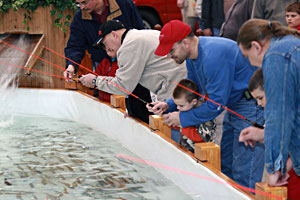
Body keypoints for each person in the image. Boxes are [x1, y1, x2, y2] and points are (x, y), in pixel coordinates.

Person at [150, 20, 264, 189]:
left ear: (186, 43)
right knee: (225, 165)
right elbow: (193, 91)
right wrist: (169, 105)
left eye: (171, 50)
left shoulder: (212, 56)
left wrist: (183, 117)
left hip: (250, 105)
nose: (169, 55)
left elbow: (215, 105)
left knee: (243, 171)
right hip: (234, 104)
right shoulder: (191, 57)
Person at [236, 18, 300, 189]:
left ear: (257, 47)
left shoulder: (276, 56)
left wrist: (274, 168)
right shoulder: (291, 44)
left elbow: (279, 115)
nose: (250, 63)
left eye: (247, 56)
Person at [64, 0, 151, 123]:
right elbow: (75, 45)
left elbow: (139, 32)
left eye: (84, 2)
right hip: (101, 64)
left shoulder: (124, 5)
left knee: (136, 97)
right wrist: (71, 65)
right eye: (79, 4)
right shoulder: (80, 17)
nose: (82, 7)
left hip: (130, 62)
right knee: (104, 99)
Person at [79, 20, 187, 118]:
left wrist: (95, 81)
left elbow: (122, 86)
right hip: (179, 80)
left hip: (175, 86)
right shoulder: (136, 36)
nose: (106, 49)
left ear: (114, 34)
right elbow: (133, 82)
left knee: (170, 125)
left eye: (105, 43)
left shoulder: (129, 46)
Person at [239, 68, 300, 200]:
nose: (259, 104)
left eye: (261, 98)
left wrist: (282, 169)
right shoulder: (276, 110)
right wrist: (261, 135)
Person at [173, 79, 216, 153]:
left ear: (194, 102)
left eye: (181, 105)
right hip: (187, 150)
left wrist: (182, 126)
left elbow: (203, 137)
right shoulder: (187, 107)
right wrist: (171, 121)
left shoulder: (205, 113)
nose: (178, 108)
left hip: (202, 156)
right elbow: (180, 124)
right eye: (177, 105)